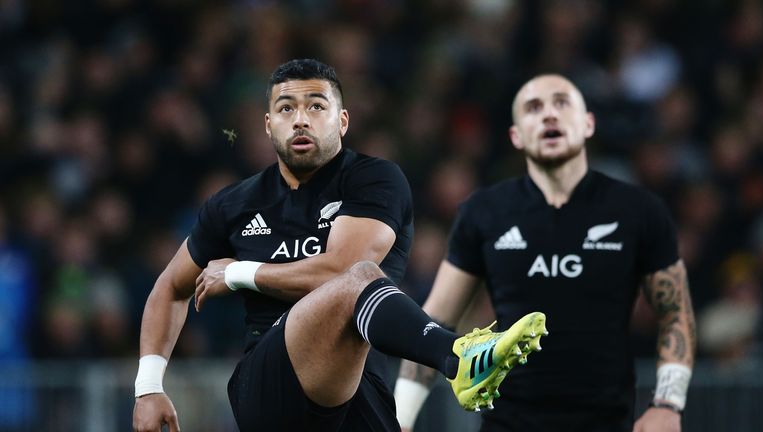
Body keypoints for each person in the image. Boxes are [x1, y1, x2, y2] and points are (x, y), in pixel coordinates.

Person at [132, 59, 546, 432]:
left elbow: (338, 269)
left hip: (355, 384)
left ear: (342, 121)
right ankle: (459, 358)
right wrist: (148, 386)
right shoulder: (233, 203)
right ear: (267, 124)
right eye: (285, 108)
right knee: (362, 278)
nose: (300, 120)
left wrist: (240, 273)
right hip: (269, 384)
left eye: (316, 106)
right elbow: (169, 288)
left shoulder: (374, 180)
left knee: (356, 275)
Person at [394, 74, 696, 432]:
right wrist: (400, 418)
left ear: (588, 124)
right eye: (533, 108)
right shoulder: (484, 212)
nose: (549, 115)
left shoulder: (638, 210)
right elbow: (435, 323)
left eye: (562, 103)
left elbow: (675, 312)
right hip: (508, 424)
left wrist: (668, 403)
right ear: (516, 135)